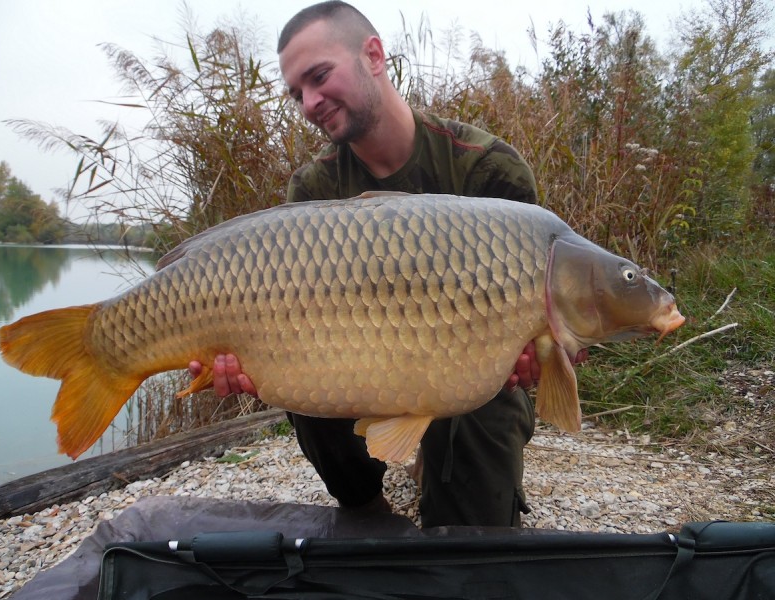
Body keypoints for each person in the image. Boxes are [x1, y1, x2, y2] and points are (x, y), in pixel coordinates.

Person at [190, 0, 566, 527]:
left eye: (319, 77)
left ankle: (448, 483)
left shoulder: (486, 168)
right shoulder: (313, 189)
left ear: (373, 55)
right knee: (304, 380)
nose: (309, 102)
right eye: (298, 92)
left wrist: (536, 356)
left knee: (472, 530)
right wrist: (244, 359)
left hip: (471, 379)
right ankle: (364, 508)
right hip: (360, 364)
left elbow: (541, 324)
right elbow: (286, 317)